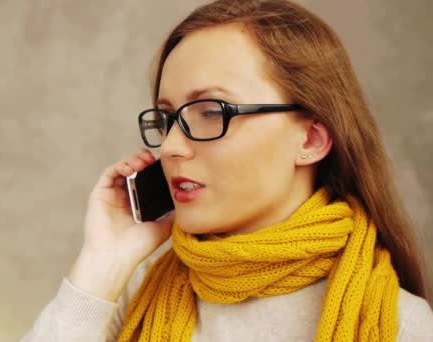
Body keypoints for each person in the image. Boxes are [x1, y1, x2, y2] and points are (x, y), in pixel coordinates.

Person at [23, 0, 433, 340]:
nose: (169, 146)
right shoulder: (130, 298)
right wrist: (101, 264)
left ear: (310, 140)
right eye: (167, 118)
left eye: (210, 112)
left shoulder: (397, 324)